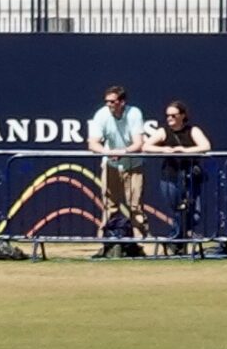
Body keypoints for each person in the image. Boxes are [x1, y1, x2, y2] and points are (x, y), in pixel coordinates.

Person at [138, 97, 214, 254]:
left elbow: (205, 146)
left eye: (173, 115)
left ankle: (176, 239)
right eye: (168, 116)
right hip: (170, 175)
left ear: (182, 115)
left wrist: (185, 150)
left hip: (190, 176)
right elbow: (146, 146)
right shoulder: (163, 132)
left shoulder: (192, 130)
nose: (170, 119)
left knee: (194, 213)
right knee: (178, 209)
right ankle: (178, 241)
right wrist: (164, 150)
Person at [88, 84, 150, 247]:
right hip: (110, 165)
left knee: (135, 206)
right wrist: (107, 152)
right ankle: (105, 244)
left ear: (122, 102)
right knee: (109, 205)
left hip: (133, 165)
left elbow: (138, 143)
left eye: (112, 101)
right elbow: (92, 143)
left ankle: (140, 244)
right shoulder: (101, 114)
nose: (108, 105)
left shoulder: (134, 113)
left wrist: (123, 151)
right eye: (107, 101)